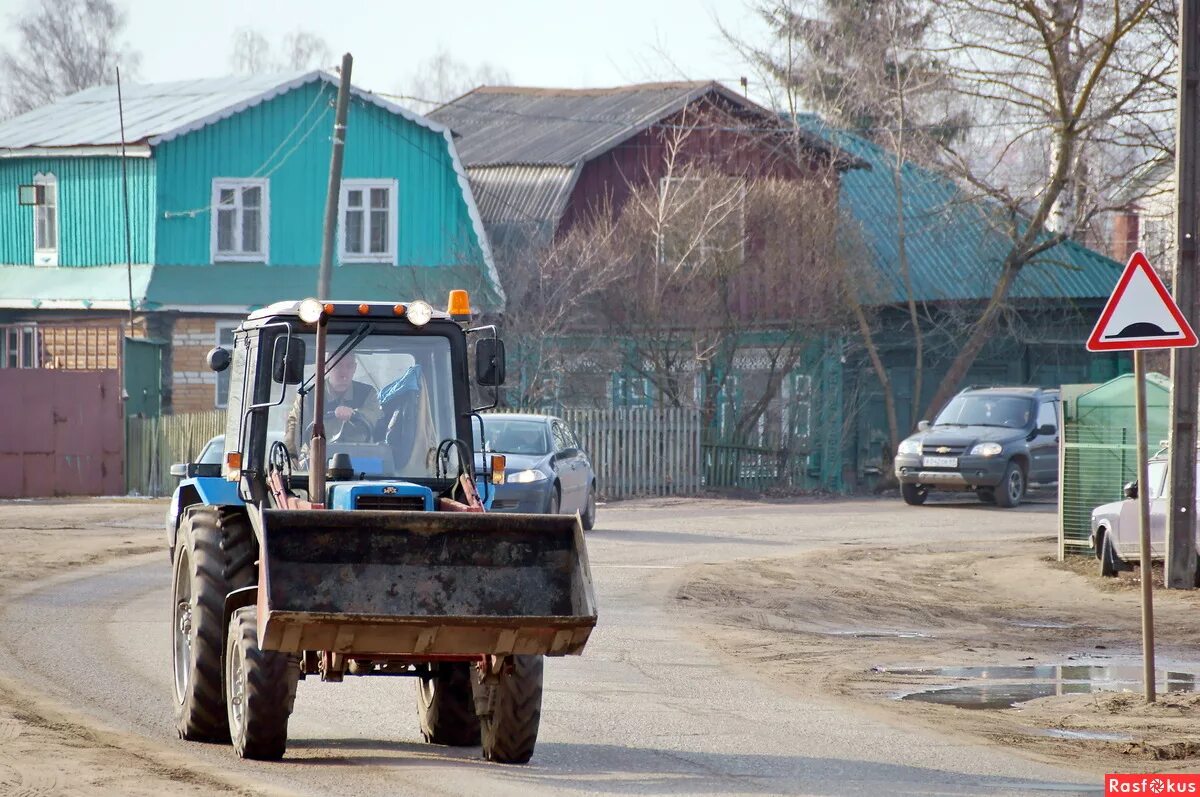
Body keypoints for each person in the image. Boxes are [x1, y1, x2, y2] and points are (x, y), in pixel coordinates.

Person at [285, 355, 381, 454]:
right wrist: (292, 456)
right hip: (317, 459)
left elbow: (373, 417)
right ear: (326, 367)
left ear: (355, 368)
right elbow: (295, 427)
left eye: (349, 366)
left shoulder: (367, 394)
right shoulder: (308, 395)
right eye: (338, 366)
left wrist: (355, 414)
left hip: (358, 459)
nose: (344, 373)